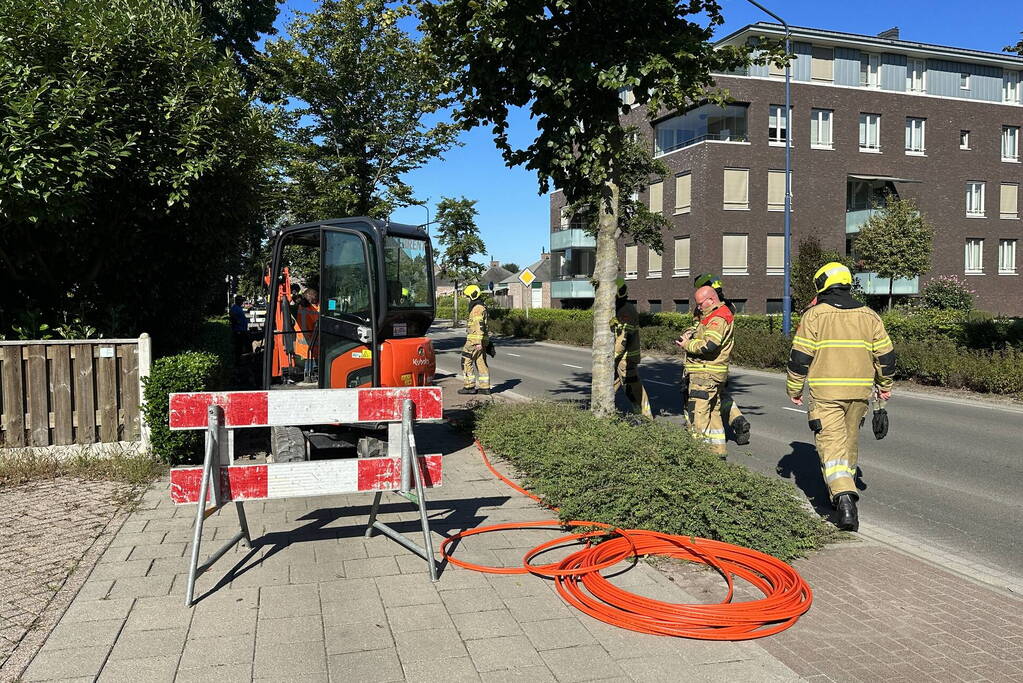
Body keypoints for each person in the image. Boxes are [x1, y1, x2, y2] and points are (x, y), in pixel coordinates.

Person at [786, 262, 896, 532]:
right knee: (848, 445)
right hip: (859, 394)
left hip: (826, 394)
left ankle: (845, 500)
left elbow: (800, 358)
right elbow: (886, 356)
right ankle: (840, 492)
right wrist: (884, 385)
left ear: (822, 284)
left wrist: (794, 388)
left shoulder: (815, 315)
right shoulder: (870, 315)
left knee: (832, 448)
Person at [692, 273, 751, 445]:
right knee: (719, 395)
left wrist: (689, 342)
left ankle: (732, 423)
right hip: (722, 362)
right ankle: (737, 420)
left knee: (705, 402)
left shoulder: (709, 311)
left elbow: (703, 335)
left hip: (706, 365)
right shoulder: (728, 306)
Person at [676, 285, 734, 458]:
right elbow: (699, 330)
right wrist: (689, 334)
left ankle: (699, 457)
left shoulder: (718, 318)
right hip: (710, 375)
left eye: (701, 303)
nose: (699, 307)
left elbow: (709, 345)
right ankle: (718, 452)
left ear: (711, 299)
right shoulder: (710, 315)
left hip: (705, 374)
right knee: (713, 413)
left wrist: (687, 345)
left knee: (698, 416)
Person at [610, 278, 652, 419]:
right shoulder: (617, 309)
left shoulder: (626, 310)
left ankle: (645, 418)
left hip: (626, 360)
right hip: (618, 359)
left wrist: (613, 355)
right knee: (607, 389)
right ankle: (602, 414)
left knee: (633, 390)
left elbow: (623, 337)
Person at [459, 284, 490, 395]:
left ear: (472, 296)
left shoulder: (476, 309)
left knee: (466, 360)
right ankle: (485, 387)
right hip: (482, 341)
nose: (467, 299)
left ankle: (469, 386)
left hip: (474, 341)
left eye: (468, 296)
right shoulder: (482, 306)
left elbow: (478, 325)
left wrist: (477, 342)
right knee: (480, 362)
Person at [229, 295, 249, 361]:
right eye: (240, 300)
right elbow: (233, 317)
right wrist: (238, 322)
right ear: (237, 301)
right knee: (238, 346)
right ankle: (238, 361)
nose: (242, 302)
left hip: (242, 329)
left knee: (241, 346)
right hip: (238, 330)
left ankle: (240, 359)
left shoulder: (238, 308)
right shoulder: (234, 308)